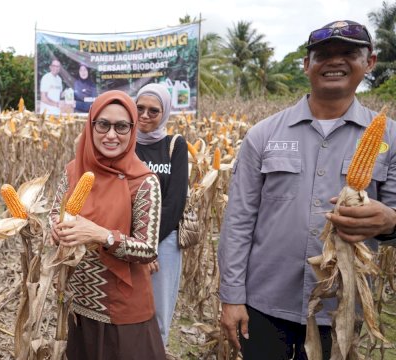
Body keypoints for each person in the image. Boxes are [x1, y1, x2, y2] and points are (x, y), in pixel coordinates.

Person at [218, 20, 396, 359]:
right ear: (306, 65)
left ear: (369, 62)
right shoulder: (263, 134)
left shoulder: (391, 137)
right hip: (265, 302)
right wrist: (231, 296)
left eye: (348, 53)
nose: (334, 61)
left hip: (341, 306)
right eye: (323, 54)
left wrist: (389, 221)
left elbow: (394, 216)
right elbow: (238, 221)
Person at [50, 90, 166, 359]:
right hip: (78, 302)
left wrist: (102, 235)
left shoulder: (144, 182)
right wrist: (54, 227)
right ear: (91, 125)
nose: (111, 135)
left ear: (132, 129)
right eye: (103, 124)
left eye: (121, 126)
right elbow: (55, 213)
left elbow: (148, 249)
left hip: (123, 310)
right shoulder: (72, 171)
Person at [134, 83, 188, 349]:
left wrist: (148, 247)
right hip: (125, 239)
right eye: (139, 108)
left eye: (153, 111)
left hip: (163, 241)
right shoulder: (124, 142)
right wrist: (133, 246)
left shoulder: (174, 145)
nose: (144, 115)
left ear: (164, 112)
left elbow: (175, 201)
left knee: (158, 313)